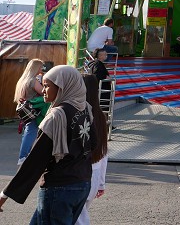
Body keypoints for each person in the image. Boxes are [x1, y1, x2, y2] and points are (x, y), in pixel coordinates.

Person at [0, 65, 95, 223]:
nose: (43, 90)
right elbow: (93, 144)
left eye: (47, 86)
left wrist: (4, 195)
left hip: (59, 188)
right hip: (82, 183)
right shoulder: (85, 108)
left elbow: (35, 160)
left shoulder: (56, 116)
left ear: (62, 87)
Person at [76, 75, 108, 225]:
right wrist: (101, 182)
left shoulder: (77, 114)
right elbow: (104, 152)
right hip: (94, 174)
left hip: (78, 174)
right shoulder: (101, 116)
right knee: (81, 215)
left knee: (77, 217)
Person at [14, 59, 48, 165]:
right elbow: (44, 92)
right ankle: (23, 157)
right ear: (36, 68)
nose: (42, 69)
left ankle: (24, 155)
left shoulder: (24, 80)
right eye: (41, 67)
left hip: (25, 110)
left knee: (28, 132)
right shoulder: (33, 81)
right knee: (30, 132)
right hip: (33, 110)